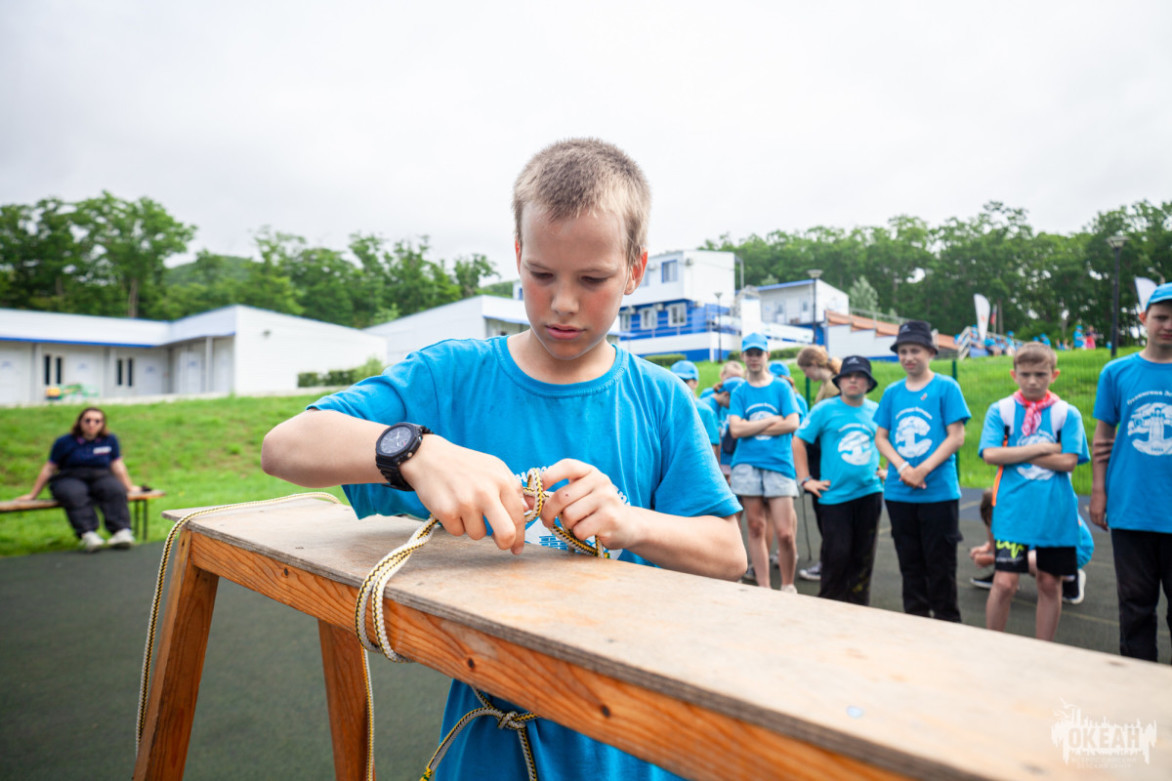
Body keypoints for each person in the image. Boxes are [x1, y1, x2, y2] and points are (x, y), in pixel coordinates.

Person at [261, 138, 745, 780]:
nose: (563, 302)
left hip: (636, 745)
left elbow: (728, 555)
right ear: (518, 256)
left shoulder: (661, 398)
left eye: (592, 280)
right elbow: (286, 445)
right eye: (542, 274)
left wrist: (631, 523)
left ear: (635, 269)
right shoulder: (451, 377)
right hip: (490, 741)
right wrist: (413, 450)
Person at [977, 342, 1089, 641]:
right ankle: (993, 645)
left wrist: (1013, 451)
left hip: (1055, 514)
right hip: (1013, 513)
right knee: (1003, 584)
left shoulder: (1067, 413)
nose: (1033, 381)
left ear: (1055, 374)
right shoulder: (1000, 410)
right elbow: (989, 455)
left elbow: (1068, 462)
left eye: (1041, 374)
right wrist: (1042, 447)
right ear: (1014, 374)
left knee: (1050, 584)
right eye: (1025, 374)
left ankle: (1043, 652)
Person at [1091, 281, 1172, 662]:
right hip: (1132, 508)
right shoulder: (1117, 372)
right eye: (1161, 316)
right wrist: (1098, 492)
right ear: (1143, 319)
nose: (1168, 325)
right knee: (1135, 605)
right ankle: (1138, 682)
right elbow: (1104, 438)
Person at [874, 320, 971, 622]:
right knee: (910, 565)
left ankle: (947, 625)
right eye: (902, 351)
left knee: (941, 567)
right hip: (900, 492)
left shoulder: (946, 387)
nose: (908, 357)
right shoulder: (892, 392)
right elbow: (881, 436)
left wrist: (923, 469)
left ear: (931, 351)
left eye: (914, 350)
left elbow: (956, 436)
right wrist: (903, 467)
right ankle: (914, 624)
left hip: (938, 493)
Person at [793, 356, 885, 605]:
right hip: (834, 497)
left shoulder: (876, 410)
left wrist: (887, 469)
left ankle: (858, 609)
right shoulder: (825, 409)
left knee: (863, 558)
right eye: (848, 375)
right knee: (836, 556)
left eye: (860, 376)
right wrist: (805, 479)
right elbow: (799, 440)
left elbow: (887, 441)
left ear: (868, 383)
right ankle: (829, 610)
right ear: (840, 380)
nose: (853, 380)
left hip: (869, 493)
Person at [728, 332, 801, 592]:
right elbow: (735, 430)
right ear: (744, 357)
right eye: (750, 353)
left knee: (785, 532)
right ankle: (764, 586)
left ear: (766, 355)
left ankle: (789, 585)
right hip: (746, 464)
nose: (754, 358)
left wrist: (752, 426)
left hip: (779, 464)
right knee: (756, 526)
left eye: (759, 353)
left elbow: (793, 422)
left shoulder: (781, 387)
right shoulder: (740, 391)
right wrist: (772, 421)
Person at [17, 406, 141, 552]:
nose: (92, 424)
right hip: (70, 476)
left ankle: (121, 532)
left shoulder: (109, 440)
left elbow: (117, 466)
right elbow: (49, 468)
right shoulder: (64, 442)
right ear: (80, 422)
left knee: (113, 488)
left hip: (100, 475)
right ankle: (88, 534)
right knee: (74, 493)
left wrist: (129, 487)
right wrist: (33, 494)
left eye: (97, 421)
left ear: (102, 424)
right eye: (87, 420)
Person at [969, 489, 1092, 606]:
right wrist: (988, 547)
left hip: (1077, 548)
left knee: (1032, 560)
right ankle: (1002, 573)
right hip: (1054, 541)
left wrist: (992, 560)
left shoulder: (1027, 513)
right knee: (1020, 556)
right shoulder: (1016, 506)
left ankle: (1071, 579)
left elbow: (1017, 553)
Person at [794, 345, 844, 582]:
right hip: (823, 458)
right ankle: (831, 562)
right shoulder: (828, 386)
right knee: (826, 515)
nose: (806, 375)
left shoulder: (833, 387)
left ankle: (830, 564)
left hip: (826, 461)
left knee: (828, 516)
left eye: (805, 369)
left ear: (814, 364)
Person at [671, 360, 720, 462]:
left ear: (695, 383)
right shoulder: (667, 410)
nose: (680, 384)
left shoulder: (705, 411)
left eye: (685, 381)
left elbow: (712, 448)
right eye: (676, 380)